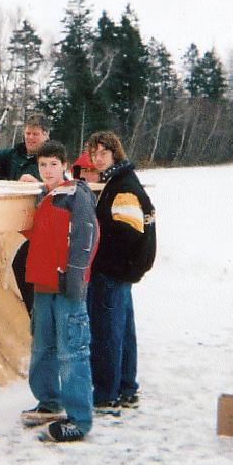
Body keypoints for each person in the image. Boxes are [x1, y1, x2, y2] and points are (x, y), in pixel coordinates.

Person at [19, 141, 99, 442]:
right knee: (42, 349)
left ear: (64, 165)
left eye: (53, 164)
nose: (48, 170)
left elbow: (87, 237)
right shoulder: (45, 197)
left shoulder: (77, 193)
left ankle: (79, 418)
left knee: (71, 352)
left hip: (67, 286)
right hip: (42, 285)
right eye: (43, 165)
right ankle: (49, 402)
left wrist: (76, 278)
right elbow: (39, 234)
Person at [85, 131, 156, 415]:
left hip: (112, 273)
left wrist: (99, 253)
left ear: (115, 153)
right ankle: (126, 388)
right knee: (123, 333)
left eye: (103, 153)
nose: (98, 158)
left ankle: (106, 394)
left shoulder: (123, 187)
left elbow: (128, 234)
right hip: (121, 273)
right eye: (94, 153)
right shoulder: (119, 180)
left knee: (106, 334)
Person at [0, 113, 51, 316]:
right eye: (27, 133)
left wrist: (40, 185)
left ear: (46, 135)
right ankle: (35, 317)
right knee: (21, 269)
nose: (30, 138)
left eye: (35, 134)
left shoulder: (50, 158)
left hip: (41, 229)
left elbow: (61, 185)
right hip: (16, 227)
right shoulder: (16, 154)